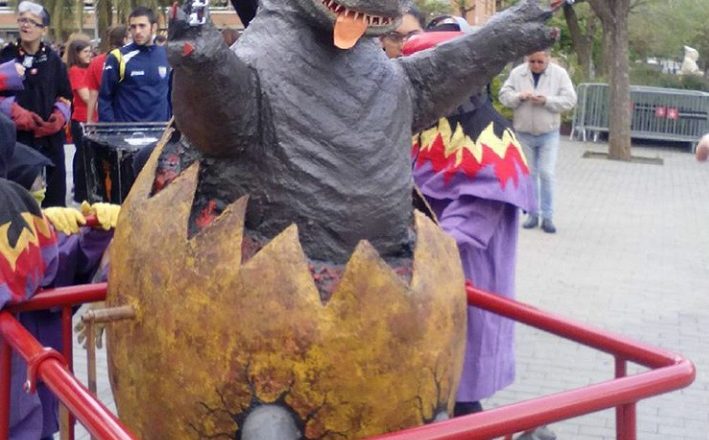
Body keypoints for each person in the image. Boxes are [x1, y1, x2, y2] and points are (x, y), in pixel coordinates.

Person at [0, 0, 72, 208]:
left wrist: (59, 117)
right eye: (22, 20)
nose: (26, 25)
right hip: (16, 142)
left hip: (49, 141)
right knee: (18, 203)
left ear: (44, 29)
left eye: (32, 22)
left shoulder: (54, 60)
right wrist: (14, 112)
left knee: (54, 204)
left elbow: (66, 95)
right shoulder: (6, 56)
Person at [499, 50, 577, 234]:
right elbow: (504, 95)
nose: (535, 65)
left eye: (540, 62)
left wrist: (547, 101)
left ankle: (547, 216)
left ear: (547, 59)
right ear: (527, 59)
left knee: (546, 173)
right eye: (532, 61)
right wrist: (519, 97)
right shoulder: (518, 73)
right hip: (524, 133)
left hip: (548, 133)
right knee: (529, 175)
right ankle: (532, 214)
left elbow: (570, 100)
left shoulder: (559, 74)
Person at [98, 6, 171, 122]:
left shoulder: (167, 55)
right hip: (127, 130)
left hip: (160, 130)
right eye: (133, 27)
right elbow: (104, 98)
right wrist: (112, 129)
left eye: (142, 26)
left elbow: (173, 95)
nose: (137, 31)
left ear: (154, 27)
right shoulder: (117, 57)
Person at [66, 38, 93, 202]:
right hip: (81, 119)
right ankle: (80, 191)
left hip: (92, 120)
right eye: (85, 52)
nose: (89, 55)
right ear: (76, 54)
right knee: (82, 157)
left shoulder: (89, 69)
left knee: (87, 156)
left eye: (90, 51)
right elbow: (86, 97)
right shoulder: (75, 71)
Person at [86, 25, 129, 123]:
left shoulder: (96, 62)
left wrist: (89, 120)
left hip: (105, 114)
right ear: (125, 39)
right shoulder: (129, 61)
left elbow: (93, 94)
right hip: (126, 114)